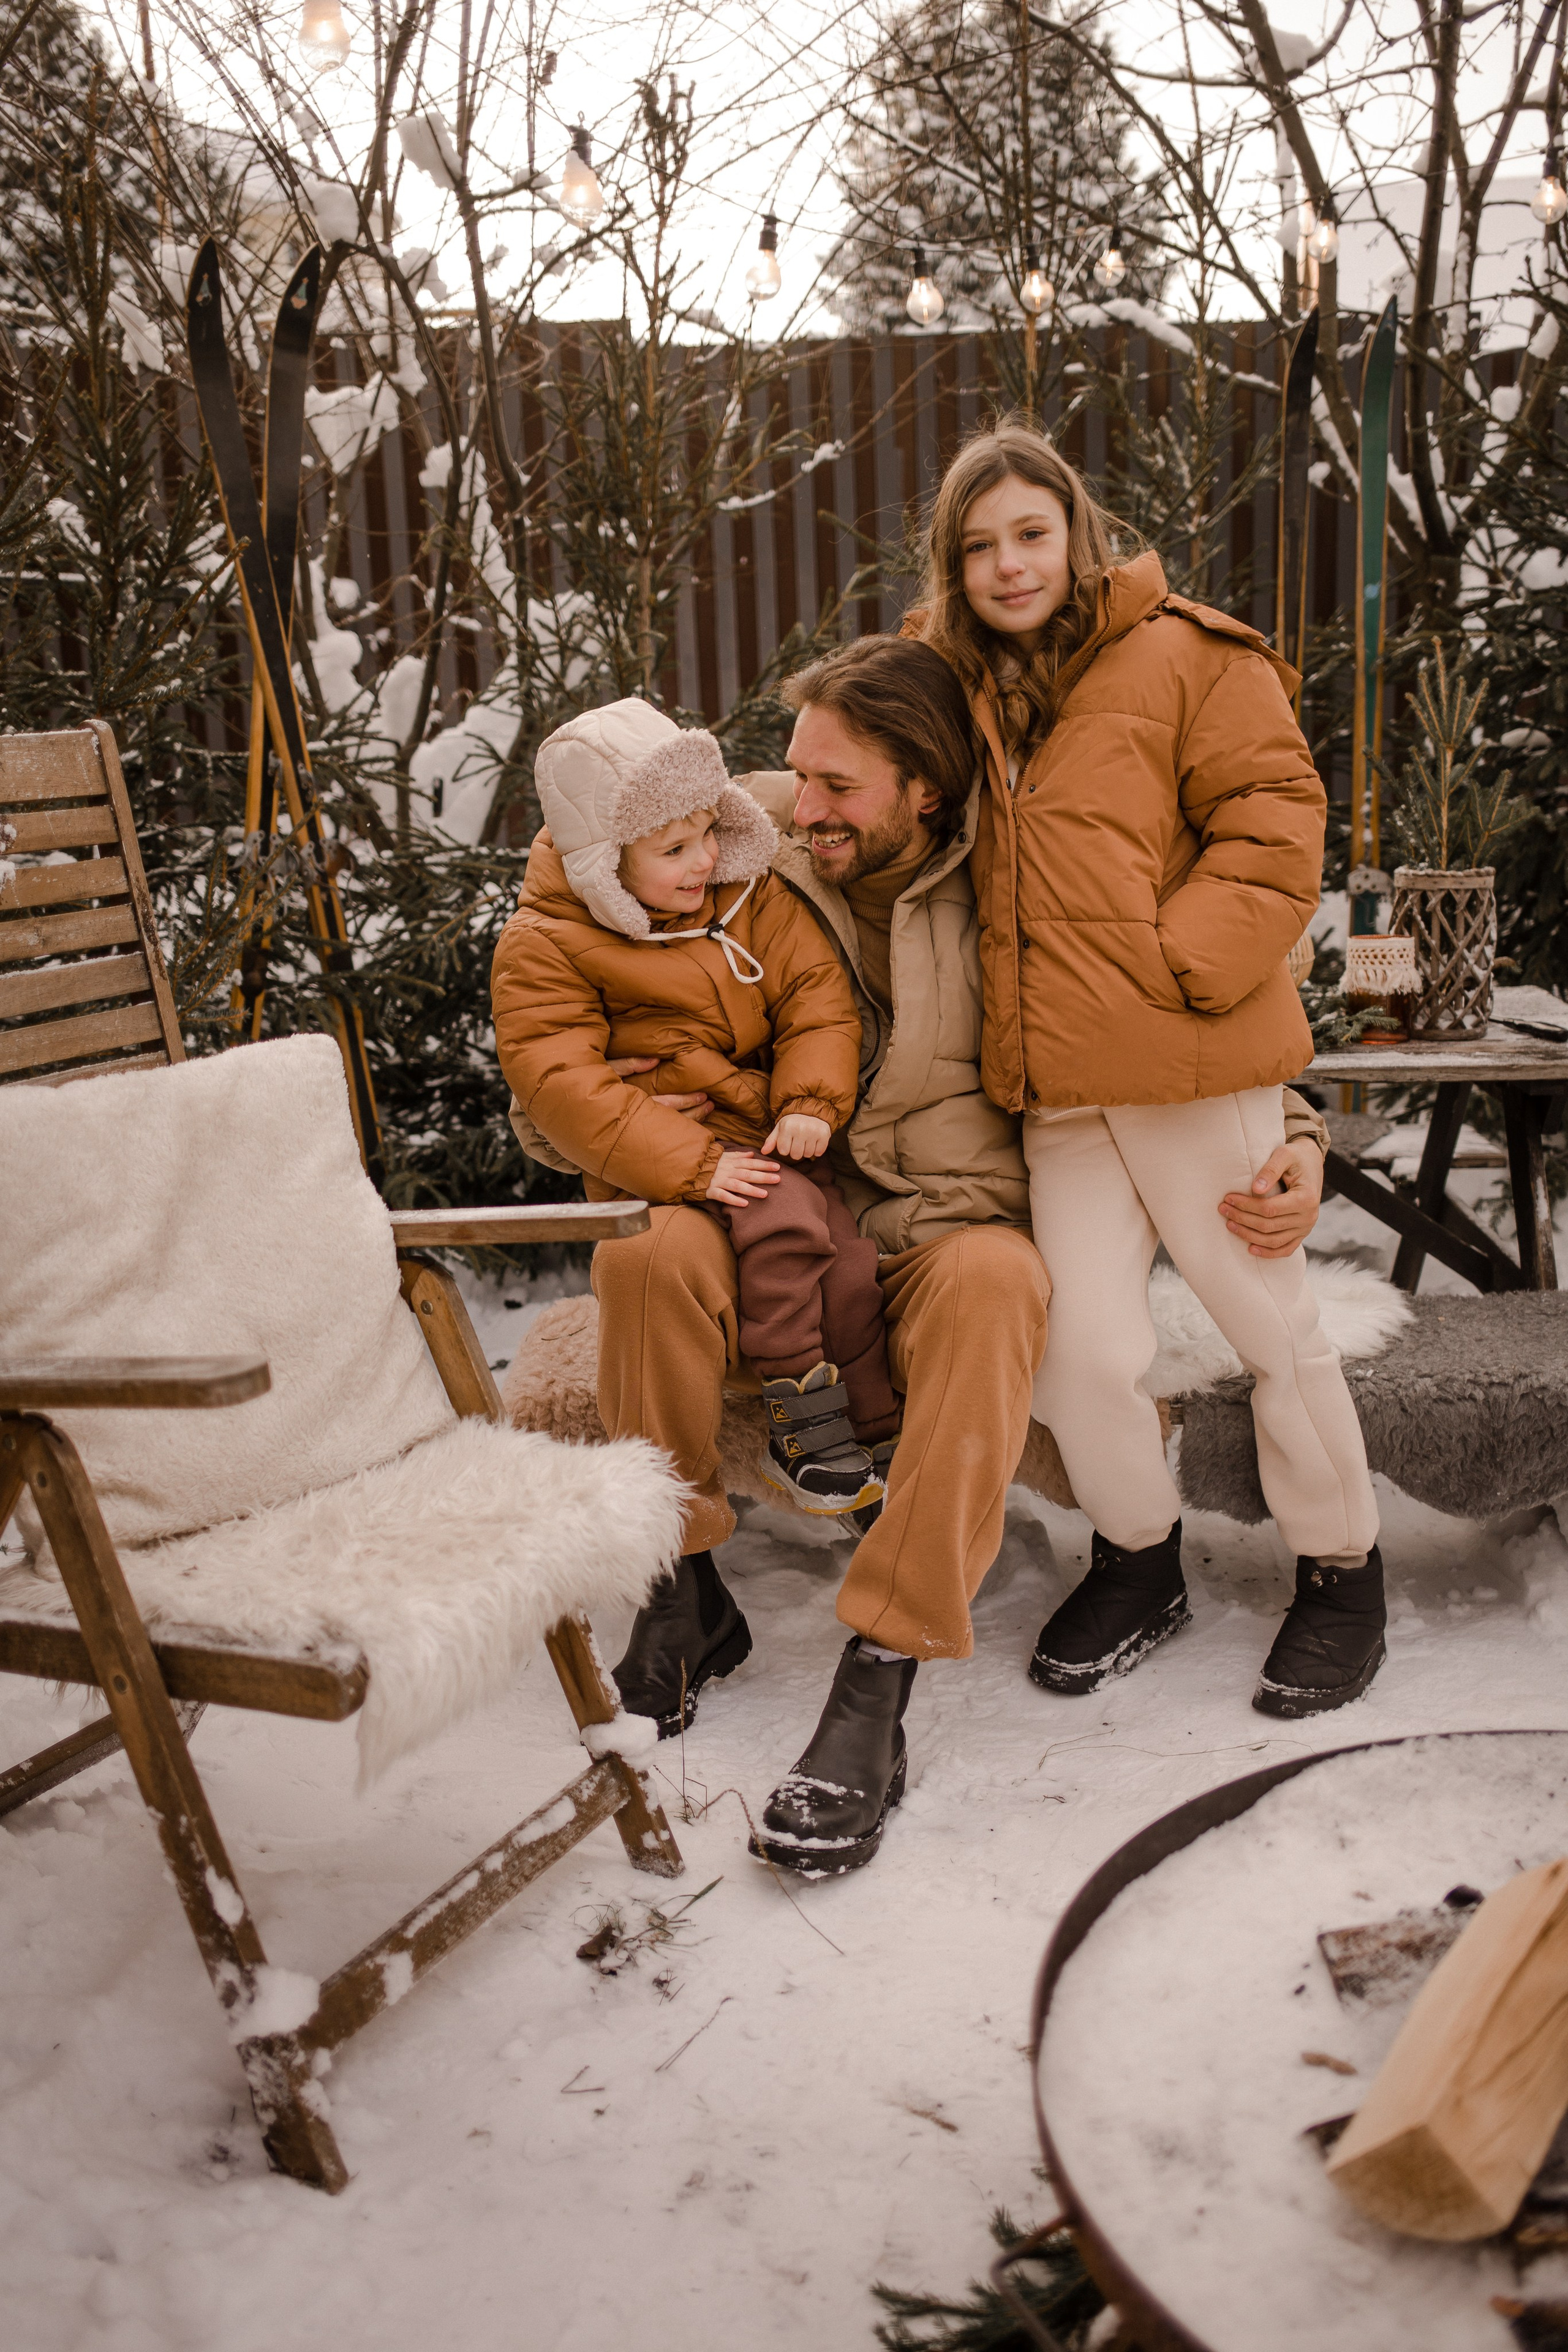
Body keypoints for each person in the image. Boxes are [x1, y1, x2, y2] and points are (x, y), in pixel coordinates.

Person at [507, 641, 1333, 1873]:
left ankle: (881, 1664)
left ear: (924, 786)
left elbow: (1202, 1002)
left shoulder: (1024, 880)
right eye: (793, 777)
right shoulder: (745, 846)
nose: (800, 804)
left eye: (834, 784)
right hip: (763, 1211)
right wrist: (623, 1105)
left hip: (935, 1229)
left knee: (999, 1283)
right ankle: (680, 1591)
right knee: (644, 1259)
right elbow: (578, 906)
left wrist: (1303, 1135)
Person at [909, 417, 1384, 1722]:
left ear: (1074, 529)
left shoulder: (1185, 653)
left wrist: (1182, 962)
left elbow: (1280, 819)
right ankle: (1136, 1559)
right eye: (977, 546)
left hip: (1189, 1073)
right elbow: (851, 785)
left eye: (1028, 533)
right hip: (1057, 1097)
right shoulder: (948, 685)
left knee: (1271, 1333)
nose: (1008, 566)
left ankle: (1340, 1574)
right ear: (951, 566)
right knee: (1077, 1353)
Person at [491, 699, 903, 1596]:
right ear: (605, 861)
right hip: (660, 1165)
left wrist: (806, 1100)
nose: (705, 861)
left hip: (768, 1136)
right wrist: (694, 1162)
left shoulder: (751, 897)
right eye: (673, 850)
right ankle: (683, 1555)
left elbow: (817, 1004)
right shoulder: (548, 945)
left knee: (840, 1256)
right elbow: (561, 1082)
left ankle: (865, 1438)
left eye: (708, 835)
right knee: (665, 1260)